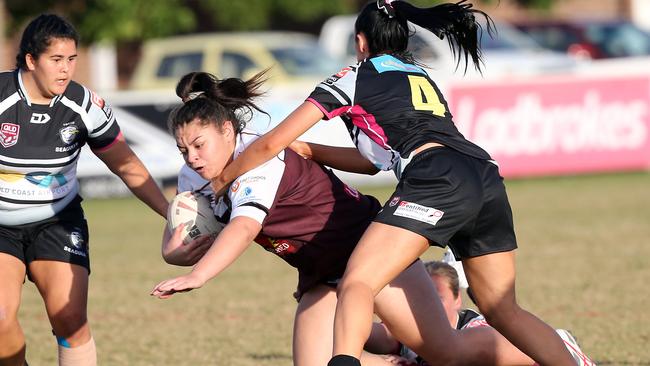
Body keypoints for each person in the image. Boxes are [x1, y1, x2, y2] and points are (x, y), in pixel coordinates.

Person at [208, 1, 582, 365]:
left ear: (360, 42)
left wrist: (223, 178)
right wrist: (307, 148)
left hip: (435, 176)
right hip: (483, 172)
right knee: (502, 309)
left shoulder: (355, 76)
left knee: (357, 282)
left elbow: (271, 143)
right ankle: (566, 355)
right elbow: (372, 163)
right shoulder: (421, 76)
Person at [150, 71, 498, 366]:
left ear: (227, 130)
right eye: (184, 150)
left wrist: (199, 275)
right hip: (321, 271)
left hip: (369, 249)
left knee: (448, 353)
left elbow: (243, 227)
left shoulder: (259, 160)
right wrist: (177, 255)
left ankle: (548, 348)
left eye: (199, 145)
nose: (192, 158)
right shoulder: (192, 176)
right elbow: (181, 238)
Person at [0, 14, 168, 366]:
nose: (66, 70)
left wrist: (170, 214)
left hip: (57, 222)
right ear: (31, 60)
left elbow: (127, 165)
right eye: (56, 60)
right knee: (0, 319)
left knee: (70, 319)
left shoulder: (85, 105)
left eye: (72, 59)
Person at [366, 260, 597, 366]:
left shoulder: (479, 335)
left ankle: (563, 340)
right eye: (417, 301)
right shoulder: (409, 331)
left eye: (438, 298)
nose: (428, 307)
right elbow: (356, 335)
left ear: (458, 299)